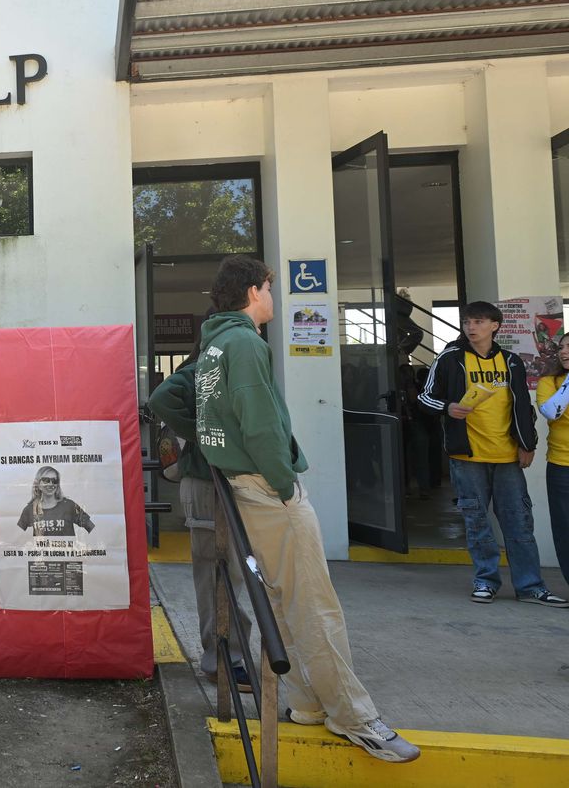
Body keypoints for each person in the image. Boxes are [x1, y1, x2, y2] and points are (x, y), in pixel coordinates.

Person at [194, 255, 420, 764]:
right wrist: (284, 485)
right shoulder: (245, 343)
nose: (274, 299)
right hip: (267, 490)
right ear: (254, 292)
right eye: (270, 289)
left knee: (281, 602)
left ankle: (307, 702)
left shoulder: (213, 344)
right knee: (315, 605)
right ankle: (355, 716)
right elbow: (260, 427)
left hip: (240, 487)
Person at [417, 301, 567, 607]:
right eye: (467, 322)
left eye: (479, 322)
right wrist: (448, 407)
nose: (471, 327)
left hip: (508, 456)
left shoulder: (511, 361)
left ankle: (530, 586)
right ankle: (486, 581)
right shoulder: (449, 358)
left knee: (519, 522)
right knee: (477, 522)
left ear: (494, 326)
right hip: (467, 457)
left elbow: (522, 407)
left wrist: (528, 443)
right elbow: (425, 397)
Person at [149, 333, 256, 694]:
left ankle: (229, 654)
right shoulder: (203, 369)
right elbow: (160, 398)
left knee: (232, 573)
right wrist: (201, 435)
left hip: (225, 482)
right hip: (207, 483)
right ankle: (224, 658)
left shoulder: (227, 367)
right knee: (219, 574)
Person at [532, 334, 569, 588]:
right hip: (561, 466)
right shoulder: (550, 381)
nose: (564, 351)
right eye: (562, 347)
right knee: (565, 531)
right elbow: (552, 411)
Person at [17, 466, 94, 537]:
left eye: (54, 480)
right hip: (43, 552)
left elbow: (92, 528)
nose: (51, 484)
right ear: (38, 485)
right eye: (46, 480)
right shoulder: (29, 509)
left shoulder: (70, 505)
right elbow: (14, 537)